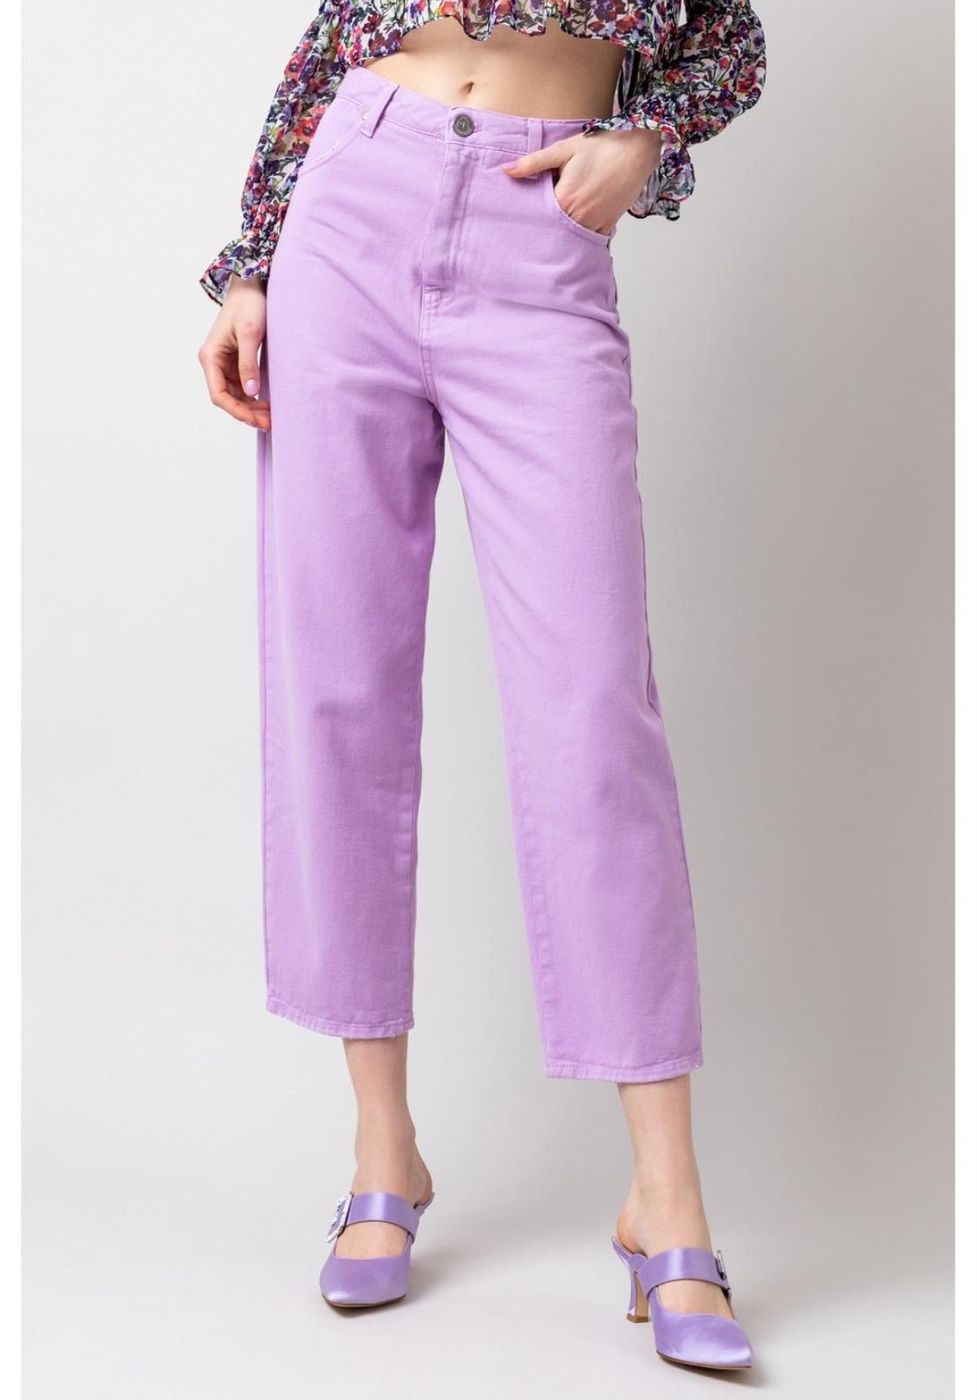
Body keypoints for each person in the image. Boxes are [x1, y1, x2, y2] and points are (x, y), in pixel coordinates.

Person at [197, 2, 766, 1372]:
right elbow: (334, 39)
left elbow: (733, 46)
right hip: (351, 212)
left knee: (593, 714)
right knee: (336, 686)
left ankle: (665, 1196)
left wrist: (643, 141)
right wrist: (253, 266)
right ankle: (382, 1149)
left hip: (535, 235)